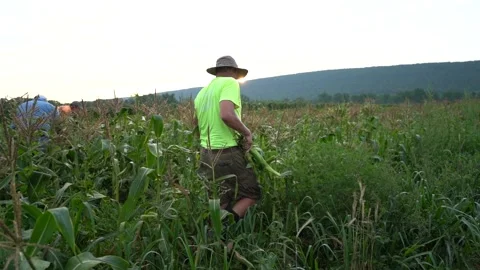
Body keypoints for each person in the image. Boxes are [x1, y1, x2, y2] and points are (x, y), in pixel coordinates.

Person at [194, 56, 262, 228]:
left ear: (217, 72)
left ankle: (216, 244)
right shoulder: (230, 83)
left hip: (206, 154)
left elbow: (196, 123)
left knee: (221, 200)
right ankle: (226, 229)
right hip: (227, 152)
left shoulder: (202, 93)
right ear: (232, 71)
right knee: (251, 194)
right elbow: (226, 114)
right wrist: (246, 133)